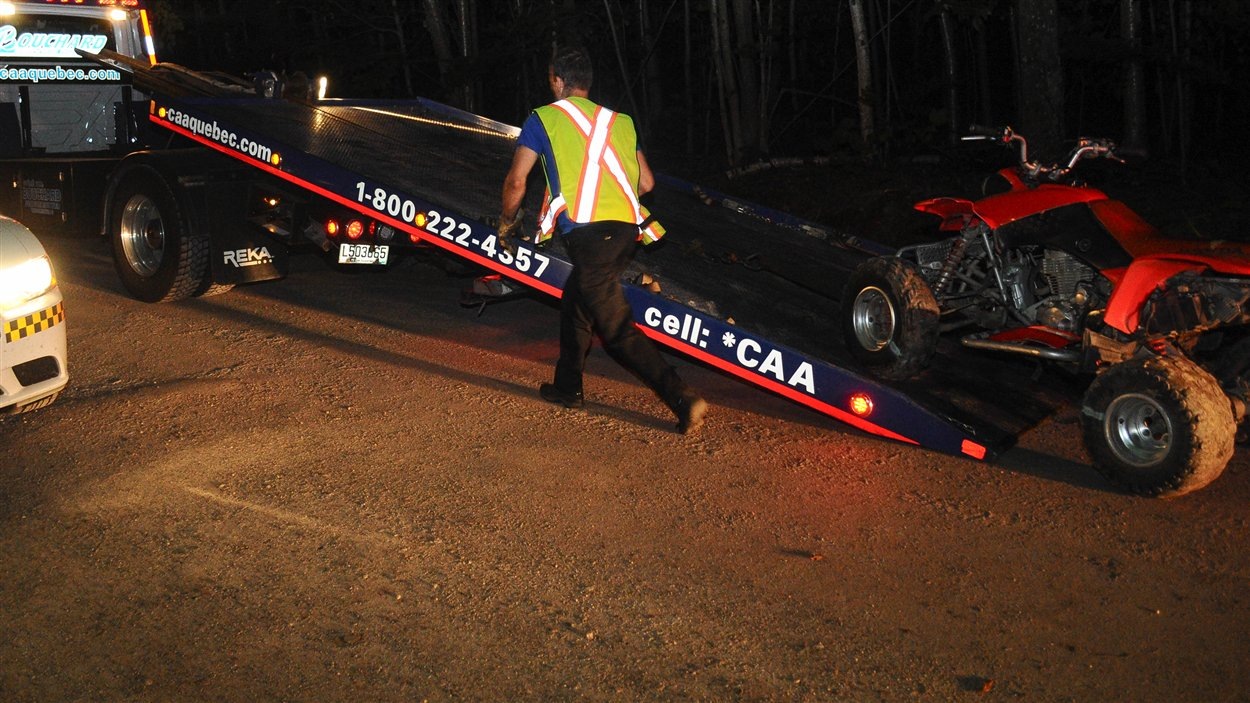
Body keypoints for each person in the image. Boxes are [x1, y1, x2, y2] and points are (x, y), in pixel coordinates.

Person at [497, 45, 707, 435]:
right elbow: (646, 183)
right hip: (627, 232)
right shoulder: (620, 121)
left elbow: (516, 181)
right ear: (587, 84)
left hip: (591, 236)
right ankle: (567, 387)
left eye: (551, 79)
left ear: (557, 81)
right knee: (577, 301)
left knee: (616, 329)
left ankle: (682, 397)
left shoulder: (543, 118)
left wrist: (507, 222)